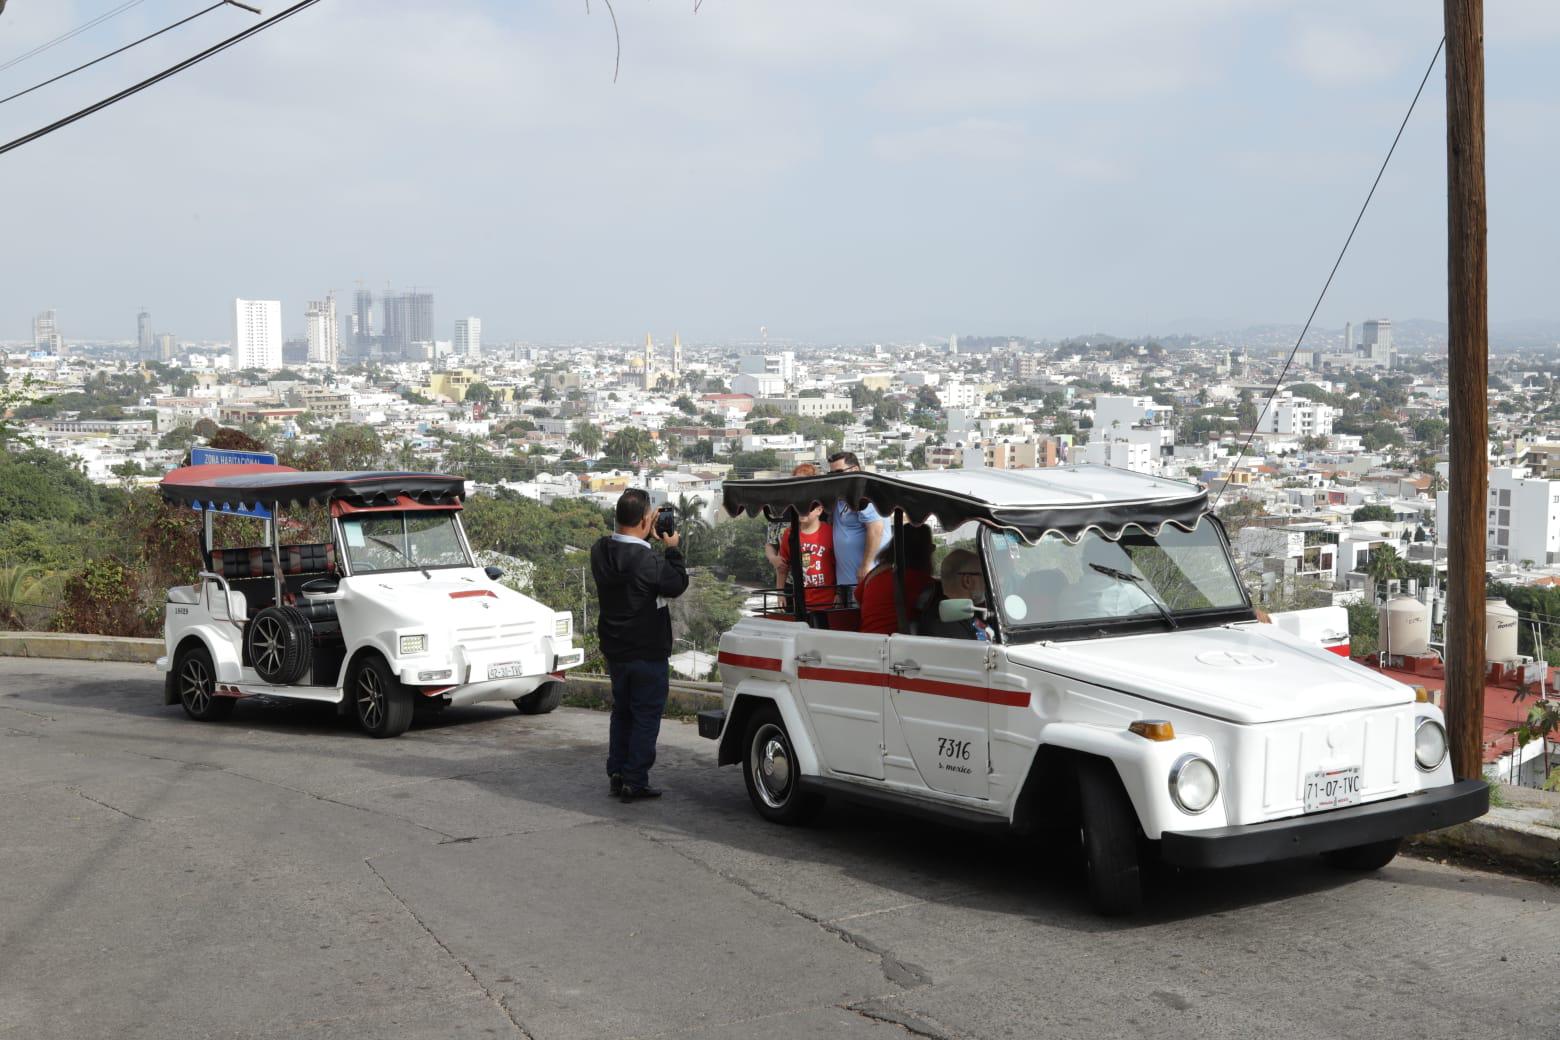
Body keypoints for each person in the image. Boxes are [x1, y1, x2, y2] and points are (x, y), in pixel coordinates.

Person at [591, 488, 689, 802]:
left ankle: (617, 773)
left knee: (623, 712)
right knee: (646, 715)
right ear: (647, 520)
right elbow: (676, 584)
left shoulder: (600, 550)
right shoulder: (648, 561)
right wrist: (672, 548)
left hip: (615, 648)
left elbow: (628, 549)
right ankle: (635, 779)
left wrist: (645, 529)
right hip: (646, 650)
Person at [827, 451, 887, 601]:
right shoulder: (841, 496)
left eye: (839, 472)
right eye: (832, 474)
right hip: (847, 583)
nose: (836, 478)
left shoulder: (865, 495)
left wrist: (866, 565)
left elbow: (876, 529)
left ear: (855, 470)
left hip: (866, 579)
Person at [857, 523, 935, 635]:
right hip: (896, 644)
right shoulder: (920, 580)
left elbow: (857, 598)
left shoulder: (875, 573)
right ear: (924, 551)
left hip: (866, 640)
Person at [764, 462, 819, 592]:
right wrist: (773, 559)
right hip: (788, 580)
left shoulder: (817, 511)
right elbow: (771, 543)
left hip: (815, 581)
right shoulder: (782, 510)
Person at [917, 548, 991, 640]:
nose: (986, 582)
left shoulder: (963, 611)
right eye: (983, 575)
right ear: (967, 580)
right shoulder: (945, 624)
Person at [776, 502, 836, 613]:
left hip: (827, 601)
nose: (802, 511)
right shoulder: (789, 534)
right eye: (799, 507)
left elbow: (838, 565)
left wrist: (839, 593)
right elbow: (782, 567)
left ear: (819, 510)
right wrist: (780, 593)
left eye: (808, 508)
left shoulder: (830, 532)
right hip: (799, 602)